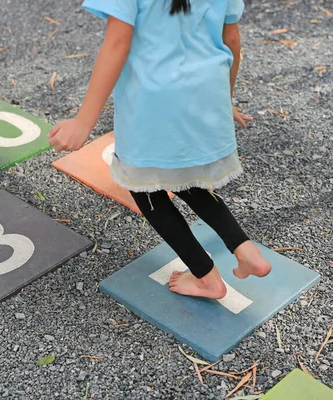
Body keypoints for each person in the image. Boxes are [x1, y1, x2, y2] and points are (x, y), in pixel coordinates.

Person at [48, 0, 271, 300]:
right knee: (186, 177)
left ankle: (206, 277)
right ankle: (244, 249)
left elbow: (117, 44)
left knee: (146, 190)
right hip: (206, 93)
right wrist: (223, 100)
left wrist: (83, 121)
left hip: (154, 102)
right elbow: (231, 39)